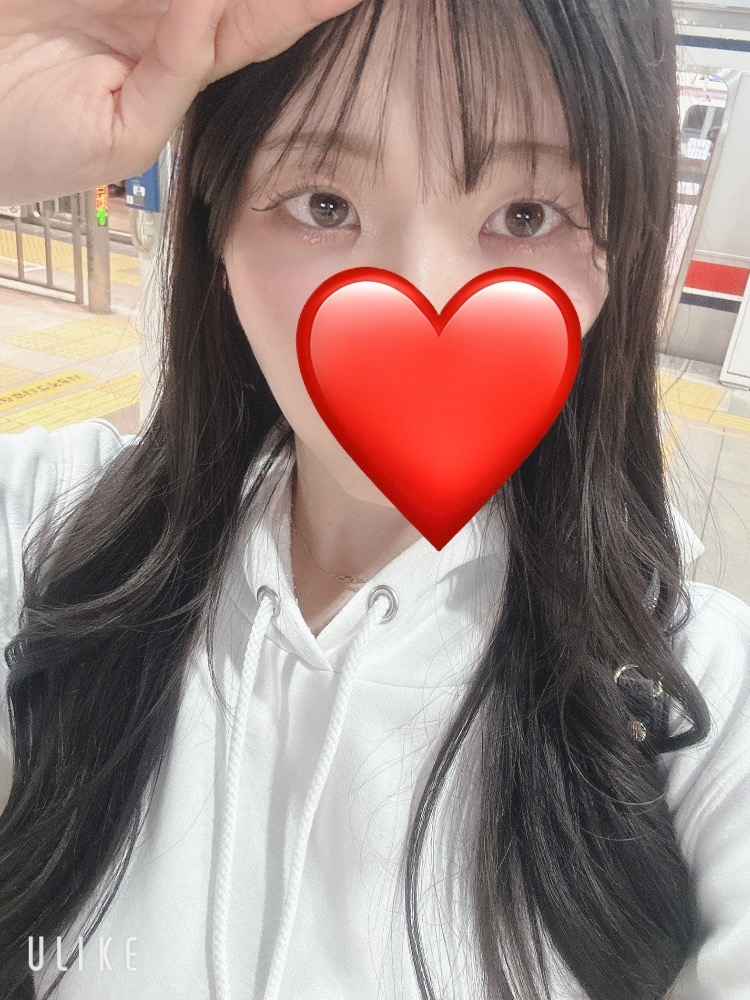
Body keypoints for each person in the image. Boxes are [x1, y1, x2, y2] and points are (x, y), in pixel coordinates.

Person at [1, 1, 749, 998]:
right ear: (216, 230)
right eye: (323, 203)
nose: (421, 294)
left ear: (623, 249)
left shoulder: (702, 703)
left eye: (527, 216)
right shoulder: (47, 533)